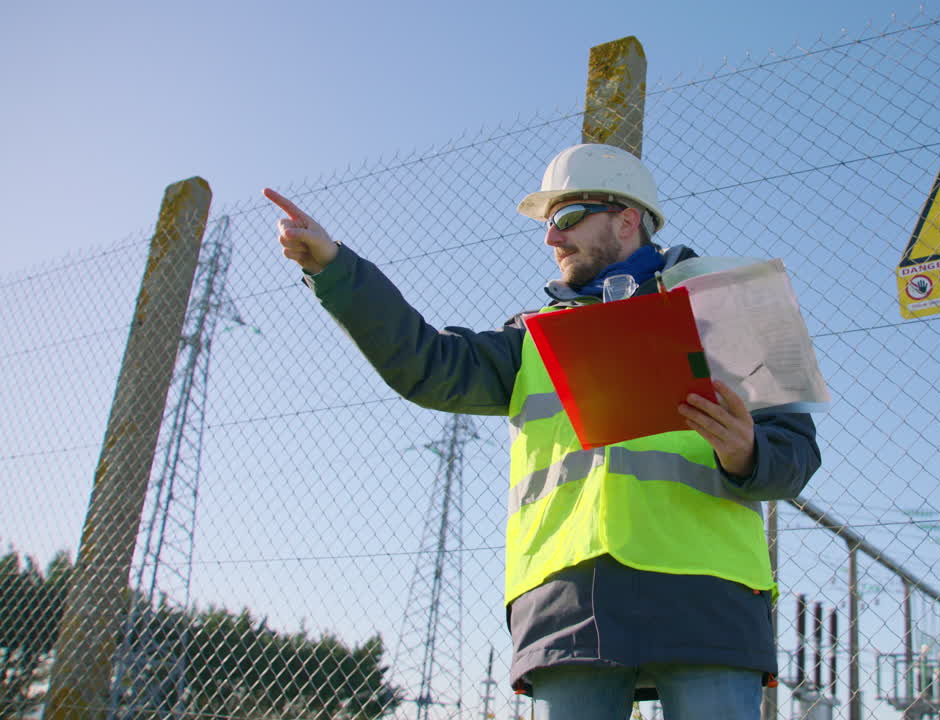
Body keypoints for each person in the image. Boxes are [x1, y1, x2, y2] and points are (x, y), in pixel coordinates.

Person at [265, 143, 821, 720]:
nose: (551, 239)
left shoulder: (730, 311)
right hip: (568, 603)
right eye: (547, 226)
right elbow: (426, 365)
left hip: (706, 592)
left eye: (566, 219)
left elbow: (798, 453)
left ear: (627, 218)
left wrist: (746, 452)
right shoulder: (531, 338)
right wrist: (333, 269)